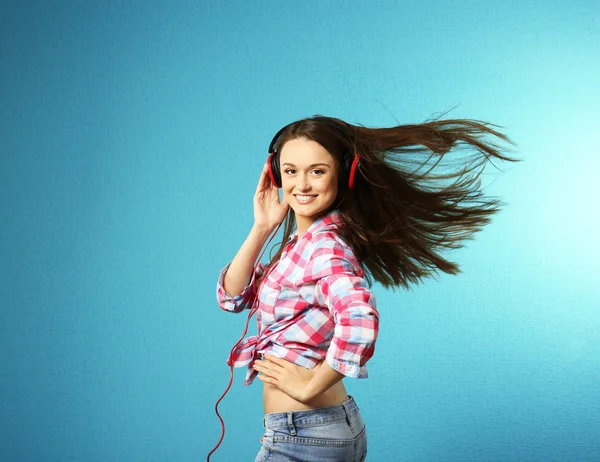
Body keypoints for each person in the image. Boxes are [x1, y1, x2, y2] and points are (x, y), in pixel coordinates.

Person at [215, 115, 516, 461]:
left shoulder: (324, 248)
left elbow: (359, 319)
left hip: (302, 435)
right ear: (275, 173)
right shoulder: (305, 243)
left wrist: (309, 386)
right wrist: (261, 227)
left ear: (343, 174)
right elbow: (233, 297)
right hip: (320, 430)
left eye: (317, 171)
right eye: (290, 170)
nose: (302, 184)